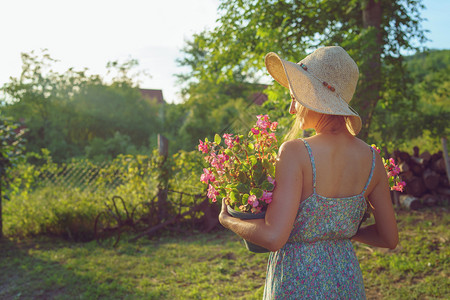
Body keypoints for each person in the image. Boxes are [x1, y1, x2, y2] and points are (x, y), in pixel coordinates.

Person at [218, 46, 398, 299]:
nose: (292, 108)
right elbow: (389, 238)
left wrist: (228, 220)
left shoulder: (296, 152)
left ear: (314, 94)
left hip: (297, 281)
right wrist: (339, 230)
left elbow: (273, 237)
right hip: (346, 280)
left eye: (295, 97)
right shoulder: (372, 158)